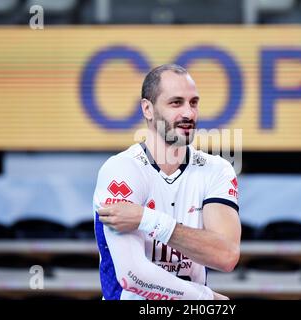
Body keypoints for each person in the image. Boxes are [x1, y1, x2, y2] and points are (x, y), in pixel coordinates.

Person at [93, 64, 241, 300]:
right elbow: (132, 276)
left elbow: (226, 256)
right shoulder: (121, 169)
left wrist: (146, 219)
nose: (188, 113)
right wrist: (207, 298)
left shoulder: (217, 170)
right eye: (176, 103)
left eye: (193, 103)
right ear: (148, 109)